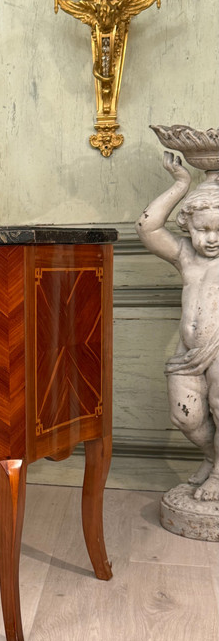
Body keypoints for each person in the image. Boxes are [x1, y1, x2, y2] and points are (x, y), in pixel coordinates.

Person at [136, 152, 219, 501]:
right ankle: (213, 458)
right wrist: (181, 184)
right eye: (203, 229)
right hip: (187, 353)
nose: (212, 238)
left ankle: (218, 474)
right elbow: (147, 227)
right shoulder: (186, 255)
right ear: (188, 226)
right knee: (185, 417)